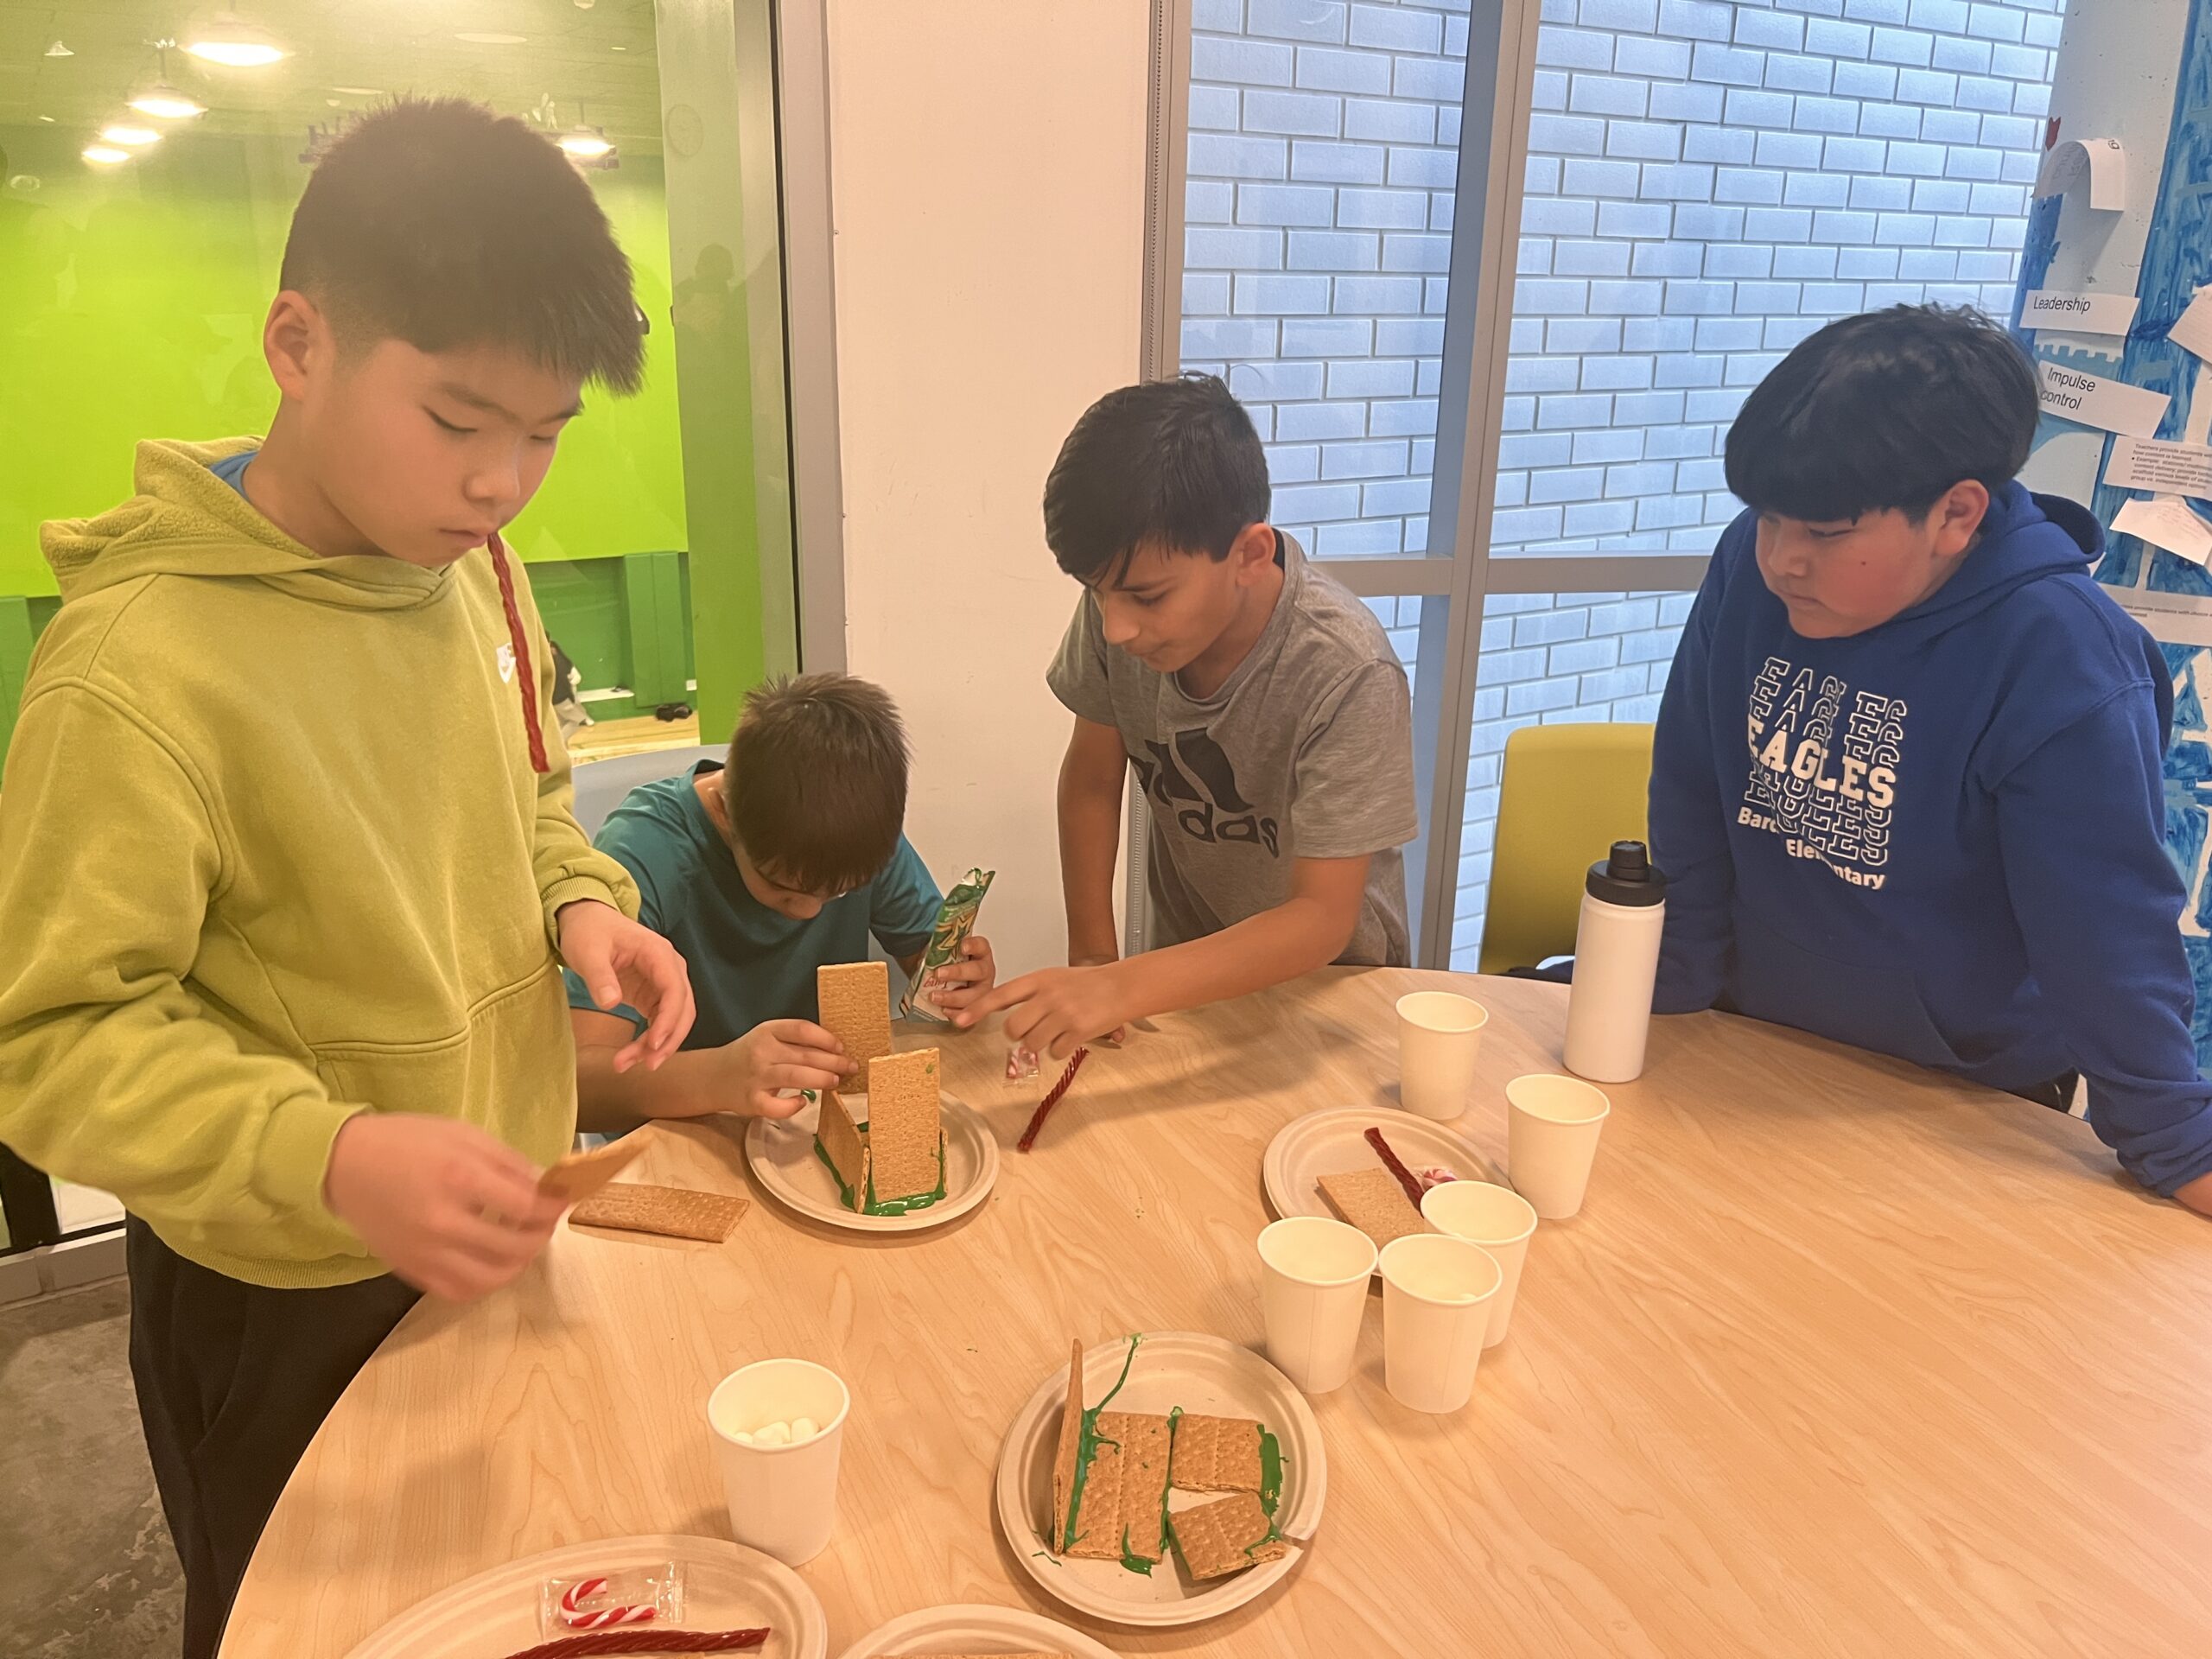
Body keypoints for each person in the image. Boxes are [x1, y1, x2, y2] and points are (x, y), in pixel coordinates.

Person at [0, 99, 696, 1658]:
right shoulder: (134, 671)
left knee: (522, 1596)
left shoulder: (472, 575)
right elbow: (45, 1044)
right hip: (287, 1290)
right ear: (297, 344)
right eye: (460, 425)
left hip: (504, 1214)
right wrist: (329, 1157)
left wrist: (585, 907)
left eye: (545, 433)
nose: (505, 483)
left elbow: (528, 800)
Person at [1649, 302, 2212, 1215]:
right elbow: (1692, 788)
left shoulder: (2060, 658)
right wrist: (1665, 996)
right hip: (1746, 1043)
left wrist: (2174, 1140)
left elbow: (2105, 931)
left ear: (1955, 515)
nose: (1782, 560)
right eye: (1766, 519)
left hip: (1962, 1098)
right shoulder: (1750, 572)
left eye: (1825, 535)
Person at [962, 373, 1418, 1058]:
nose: (1115, 627)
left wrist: (1122, 987)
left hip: (1334, 995)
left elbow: (1322, 917)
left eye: (1145, 597)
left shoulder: (1347, 669)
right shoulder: (1121, 613)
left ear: (1249, 554)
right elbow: (1091, 780)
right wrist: (1093, 959)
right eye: (1097, 593)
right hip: (1189, 979)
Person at [570, 672, 997, 1128]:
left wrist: (956, 984)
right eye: (785, 890)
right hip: (682, 1134)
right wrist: (717, 1077)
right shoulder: (647, 851)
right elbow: (577, 1087)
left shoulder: (861, 838)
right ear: (727, 813)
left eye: (840, 892)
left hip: (808, 1124)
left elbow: (930, 970)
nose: (811, 911)